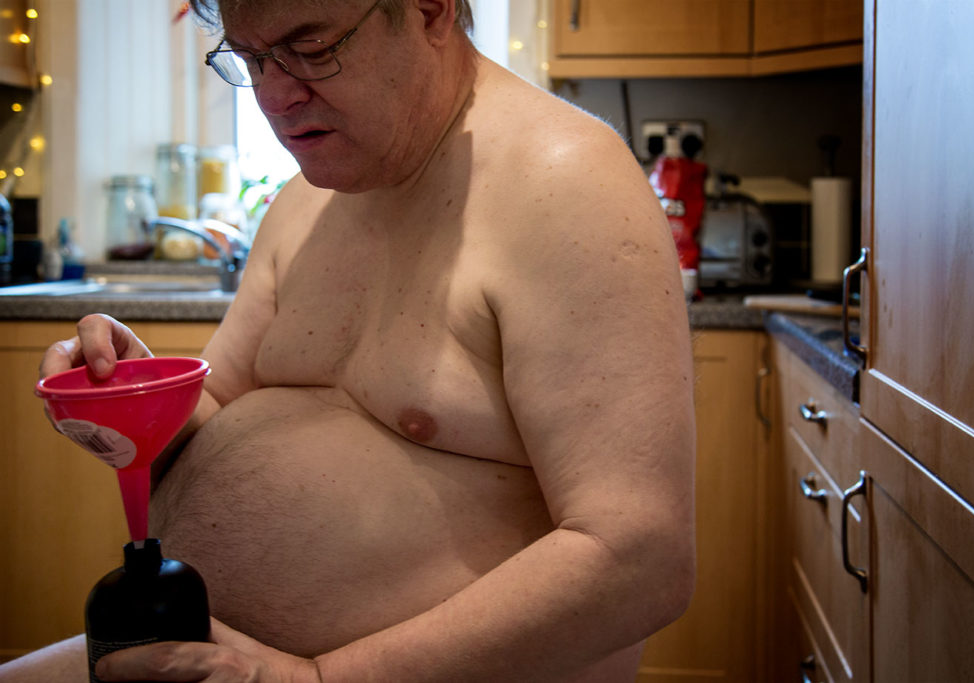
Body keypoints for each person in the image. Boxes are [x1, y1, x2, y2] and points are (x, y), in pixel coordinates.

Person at [1, 0, 696, 680]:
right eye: (251, 59)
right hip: (196, 648)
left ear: (430, 11)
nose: (273, 97)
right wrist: (136, 395)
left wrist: (319, 674)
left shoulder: (565, 182)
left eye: (310, 48)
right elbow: (215, 412)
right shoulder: (308, 197)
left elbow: (640, 556)